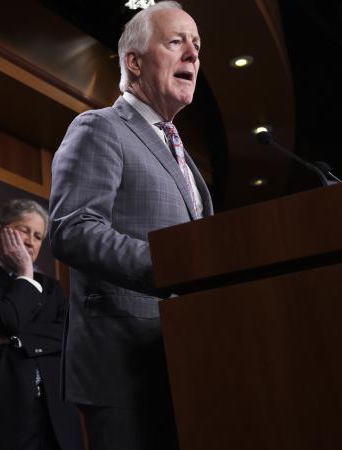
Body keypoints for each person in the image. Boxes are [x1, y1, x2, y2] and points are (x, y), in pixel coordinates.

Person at [48, 2, 214, 450]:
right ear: (134, 62)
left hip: (184, 363)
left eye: (197, 46)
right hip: (122, 368)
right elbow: (72, 228)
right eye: (176, 42)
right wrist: (172, 266)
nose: (193, 57)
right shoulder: (100, 129)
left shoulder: (185, 159)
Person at [0, 199, 84, 450]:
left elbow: (69, 334)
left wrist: (8, 340)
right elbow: (7, 318)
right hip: (4, 418)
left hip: (56, 418)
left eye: (38, 236)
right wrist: (25, 272)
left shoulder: (52, 287)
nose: (31, 242)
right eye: (24, 230)